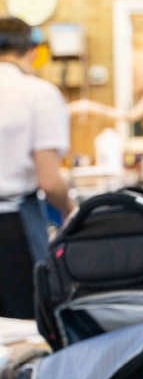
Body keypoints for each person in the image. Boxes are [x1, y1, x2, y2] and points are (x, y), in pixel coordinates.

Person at [0, 17, 73, 319]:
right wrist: (70, 209)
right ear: (32, 51)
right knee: (25, 328)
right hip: (12, 231)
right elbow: (50, 181)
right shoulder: (38, 94)